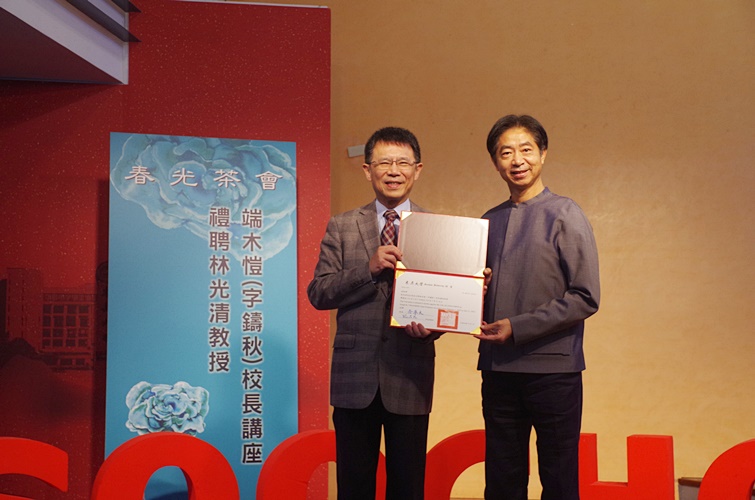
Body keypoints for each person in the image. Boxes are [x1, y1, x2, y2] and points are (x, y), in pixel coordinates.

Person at [474, 114, 600, 500]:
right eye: (506, 153)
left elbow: (585, 296)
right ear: (495, 162)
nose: (517, 160)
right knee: (502, 480)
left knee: (559, 480)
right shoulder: (488, 221)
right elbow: (473, 292)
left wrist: (518, 326)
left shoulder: (565, 213)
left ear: (543, 154)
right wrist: (475, 292)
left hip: (553, 372)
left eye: (526, 149)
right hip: (498, 370)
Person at [307, 126, 438, 500]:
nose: (394, 171)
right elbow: (319, 292)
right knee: (354, 485)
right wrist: (367, 268)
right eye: (384, 162)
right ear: (368, 170)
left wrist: (432, 329)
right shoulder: (342, 225)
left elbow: (445, 302)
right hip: (354, 376)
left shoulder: (436, 229)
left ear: (417, 169)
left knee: (408, 486)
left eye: (403, 162)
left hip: (410, 374)